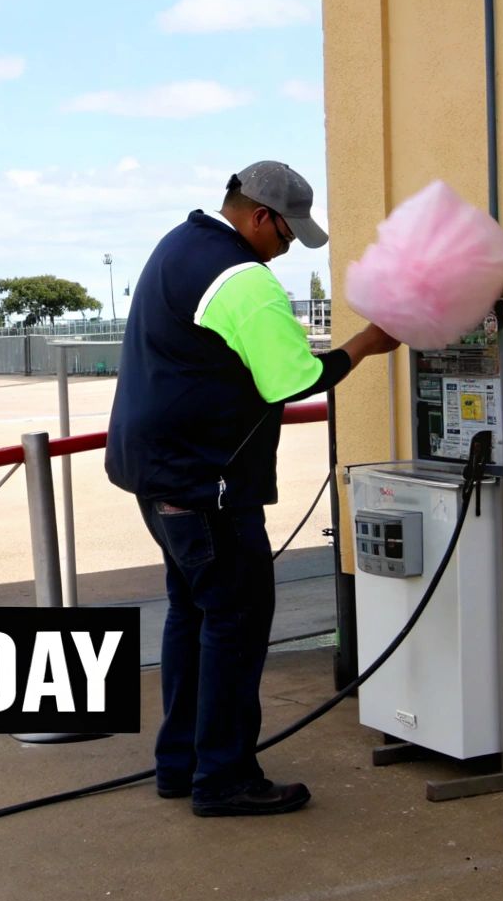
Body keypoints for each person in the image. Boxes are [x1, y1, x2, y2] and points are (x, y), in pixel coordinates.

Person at [107, 160, 401, 817]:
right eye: (287, 234)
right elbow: (293, 379)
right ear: (260, 217)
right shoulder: (243, 278)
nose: (287, 249)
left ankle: (181, 764)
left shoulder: (179, 245)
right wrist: (366, 342)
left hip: (156, 476)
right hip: (206, 485)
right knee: (236, 624)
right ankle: (224, 778)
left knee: (193, 615)